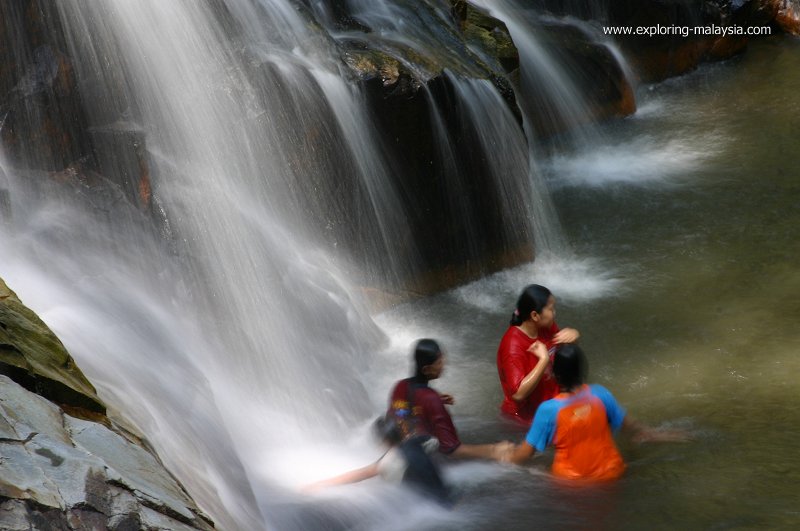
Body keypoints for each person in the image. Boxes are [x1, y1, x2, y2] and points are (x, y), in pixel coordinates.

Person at [505, 344, 689, 480]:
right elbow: (632, 428)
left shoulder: (548, 410)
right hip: (613, 473)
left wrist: (502, 458)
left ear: (555, 375)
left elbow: (522, 456)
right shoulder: (601, 394)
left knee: (536, 467)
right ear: (583, 370)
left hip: (571, 485)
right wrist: (657, 434)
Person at [388, 338, 511, 460]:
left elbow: (404, 414)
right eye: (439, 362)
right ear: (426, 369)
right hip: (421, 463)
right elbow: (452, 449)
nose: (444, 363)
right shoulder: (431, 399)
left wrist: (432, 401)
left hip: (398, 451)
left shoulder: (400, 386)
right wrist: (493, 450)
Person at [303, 416, 450, 504]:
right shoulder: (420, 441)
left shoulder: (388, 462)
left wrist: (321, 484)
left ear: (383, 441)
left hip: (427, 506)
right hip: (446, 497)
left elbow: (358, 475)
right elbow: (434, 443)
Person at [497, 284, 580, 426]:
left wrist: (573, 336)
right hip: (527, 419)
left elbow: (562, 355)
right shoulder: (512, 346)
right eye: (550, 309)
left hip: (552, 404)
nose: (554, 313)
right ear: (535, 315)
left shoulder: (546, 327)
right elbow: (518, 394)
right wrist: (543, 360)